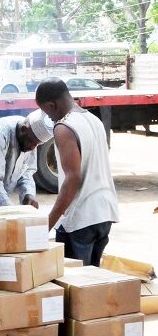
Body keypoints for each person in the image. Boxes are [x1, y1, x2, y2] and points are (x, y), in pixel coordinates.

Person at [36, 77, 119, 266]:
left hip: (81, 219)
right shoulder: (94, 120)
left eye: (46, 111)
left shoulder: (64, 128)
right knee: (90, 286)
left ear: (52, 105)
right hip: (104, 214)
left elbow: (72, 179)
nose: (48, 117)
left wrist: (49, 223)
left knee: (73, 287)